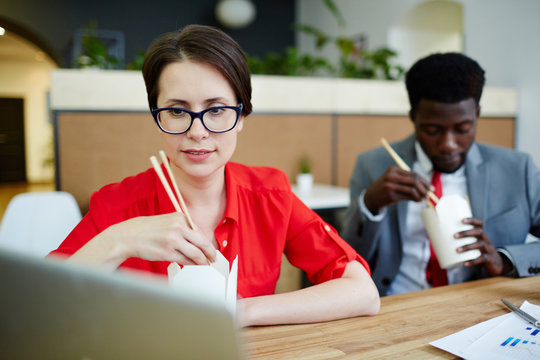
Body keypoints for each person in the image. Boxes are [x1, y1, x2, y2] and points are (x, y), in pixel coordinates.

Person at [50, 24, 380, 326]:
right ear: (156, 116)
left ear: (241, 115)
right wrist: (122, 239)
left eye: (217, 109)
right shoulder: (117, 205)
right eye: (177, 111)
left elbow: (362, 292)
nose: (197, 131)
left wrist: (243, 311)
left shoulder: (270, 193)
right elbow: (41, 305)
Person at [341, 52, 540, 296]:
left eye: (463, 129)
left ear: (477, 115)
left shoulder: (517, 168)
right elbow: (343, 257)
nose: (448, 144)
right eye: (432, 130)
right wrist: (370, 204)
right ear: (413, 117)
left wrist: (504, 259)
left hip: (483, 306)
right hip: (397, 305)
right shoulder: (373, 164)